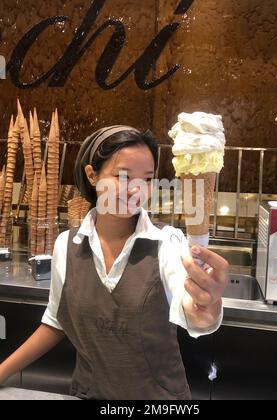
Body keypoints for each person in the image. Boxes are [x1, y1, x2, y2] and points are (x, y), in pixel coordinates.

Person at [0, 126, 229, 400]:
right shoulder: (67, 245)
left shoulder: (167, 243)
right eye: (122, 176)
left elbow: (192, 312)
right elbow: (56, 322)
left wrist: (207, 306)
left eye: (146, 179)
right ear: (92, 175)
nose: (136, 189)